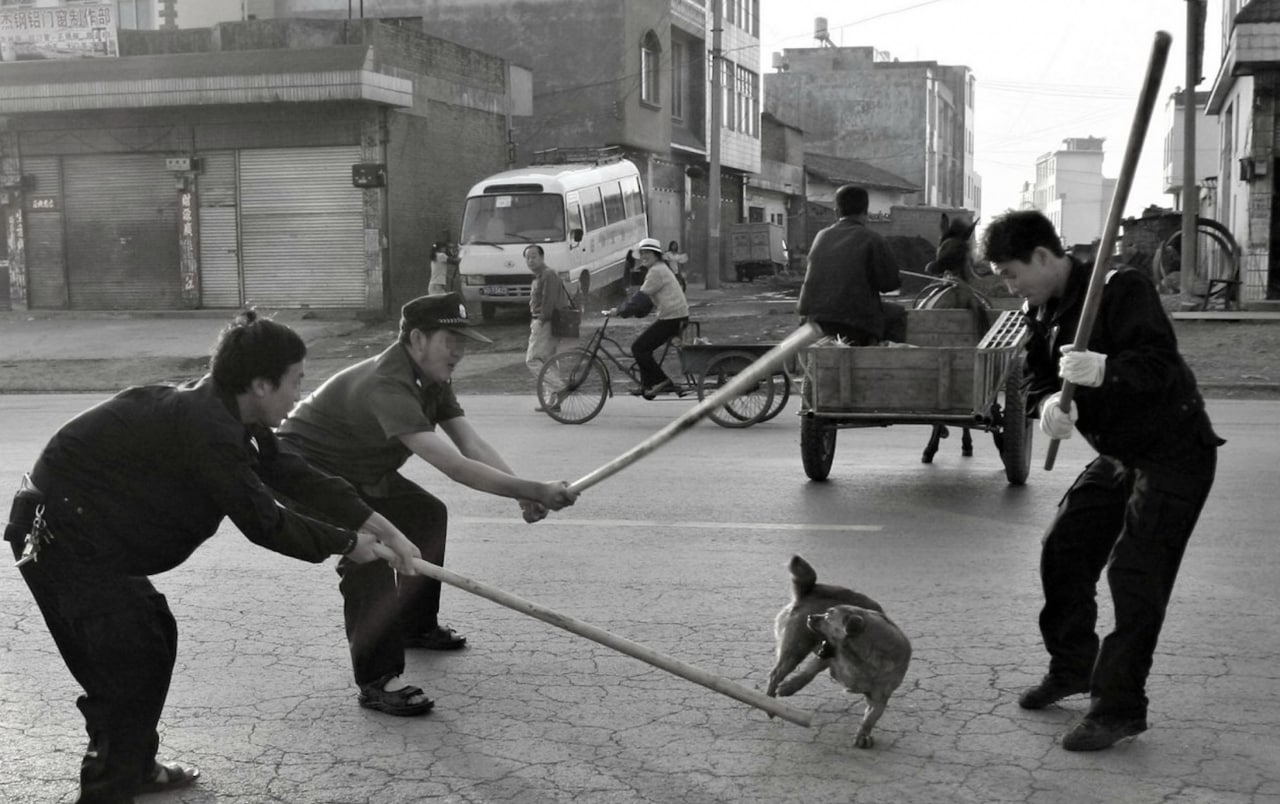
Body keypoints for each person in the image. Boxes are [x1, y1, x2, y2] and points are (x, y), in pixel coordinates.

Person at [4, 311, 420, 803]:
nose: (299, 394)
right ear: (262, 384)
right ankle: (107, 790)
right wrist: (351, 545)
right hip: (58, 539)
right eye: (296, 381)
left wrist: (381, 527)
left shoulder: (229, 413)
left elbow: (294, 473)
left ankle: (136, 765)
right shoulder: (209, 429)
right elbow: (265, 521)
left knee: (154, 633)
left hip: (90, 537)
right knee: (127, 664)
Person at [981, 210, 1225, 752]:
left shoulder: (1119, 289)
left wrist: (1105, 370)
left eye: (1010, 271)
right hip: (1118, 456)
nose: (1009, 283)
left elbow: (1161, 366)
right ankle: (1072, 668)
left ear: (1043, 257)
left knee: (1135, 576)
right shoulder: (1039, 311)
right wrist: (1048, 406)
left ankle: (1119, 708)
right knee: (1063, 548)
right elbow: (1043, 378)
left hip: (1173, 454)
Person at [276, 291, 579, 717]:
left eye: (464, 339)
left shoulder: (433, 378)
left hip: (361, 471)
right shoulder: (389, 383)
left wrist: (522, 493)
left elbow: (469, 442)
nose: (460, 349)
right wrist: (531, 489)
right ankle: (378, 680)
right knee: (371, 551)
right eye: (449, 339)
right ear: (417, 339)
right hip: (306, 472)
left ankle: (414, 625)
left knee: (427, 515)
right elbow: (452, 465)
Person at [796, 184, 906, 345]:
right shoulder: (873, 239)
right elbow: (888, 284)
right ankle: (886, 362)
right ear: (866, 212)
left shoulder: (821, 236)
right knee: (898, 314)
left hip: (813, 321)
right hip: (856, 323)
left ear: (836, 212)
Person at [606, 237, 689, 398]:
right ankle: (647, 385)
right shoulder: (658, 269)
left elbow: (640, 298)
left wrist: (619, 311)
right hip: (674, 317)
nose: (644, 256)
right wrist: (634, 312)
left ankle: (662, 381)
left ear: (656, 255)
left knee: (639, 347)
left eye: (647, 253)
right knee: (644, 347)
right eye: (642, 253)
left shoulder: (656, 271)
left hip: (673, 318)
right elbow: (646, 302)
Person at [524, 244, 571, 412]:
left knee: (532, 360)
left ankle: (559, 388)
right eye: (528, 258)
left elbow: (548, 300)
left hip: (545, 322)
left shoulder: (548, 275)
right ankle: (553, 401)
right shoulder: (540, 276)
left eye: (534, 256)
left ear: (542, 257)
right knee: (548, 360)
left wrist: (541, 319)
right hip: (545, 321)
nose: (530, 260)